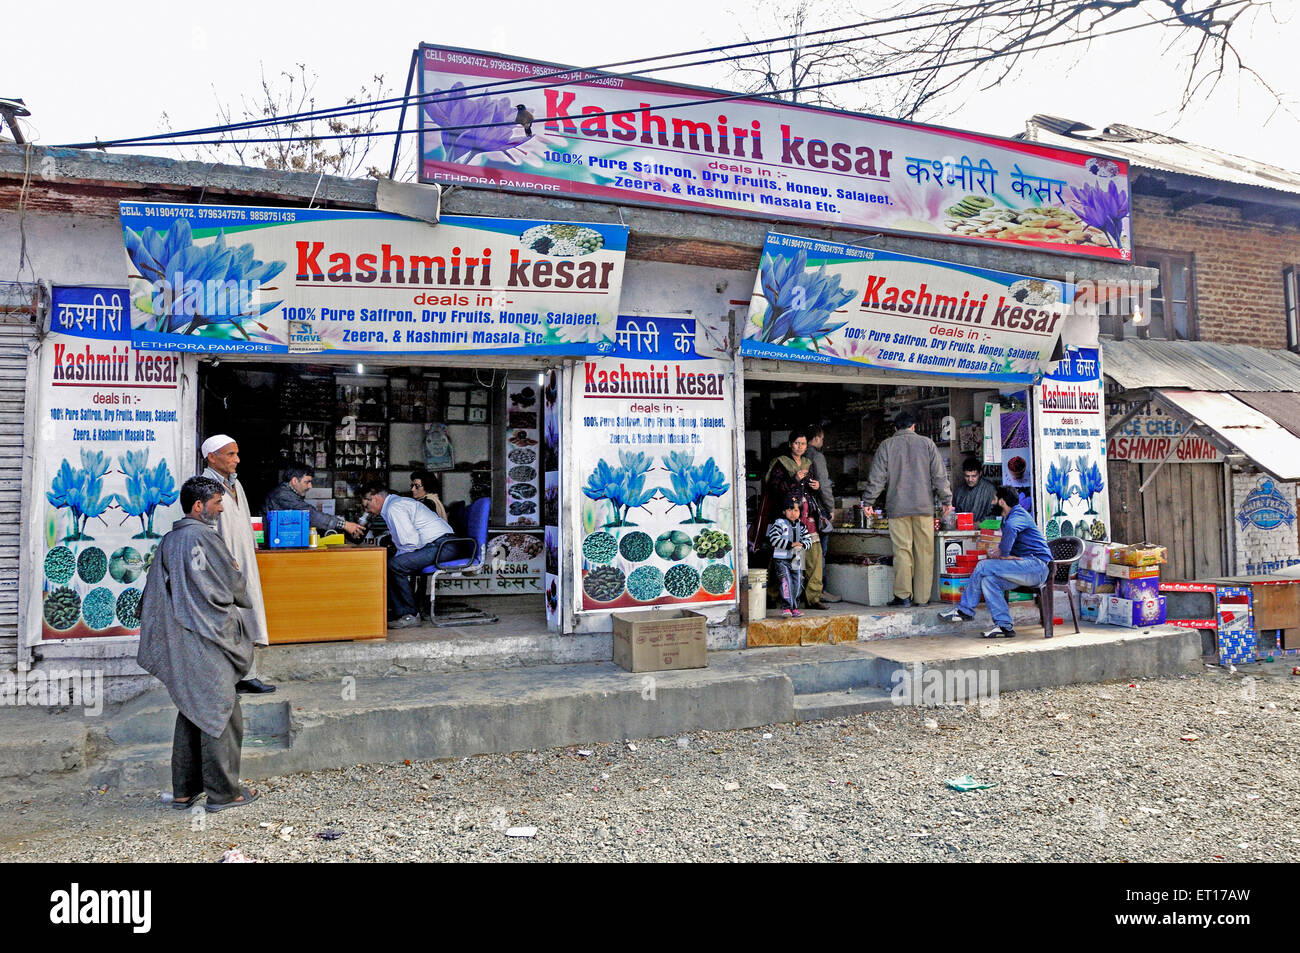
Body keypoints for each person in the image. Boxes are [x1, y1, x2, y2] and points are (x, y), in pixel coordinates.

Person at [136, 476, 260, 813]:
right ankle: (224, 793)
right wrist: (234, 571)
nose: (221, 509)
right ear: (198, 506)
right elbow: (227, 587)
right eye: (218, 503)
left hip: (180, 639)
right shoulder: (205, 537)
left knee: (191, 709)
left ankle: (183, 791)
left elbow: (154, 594)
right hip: (207, 638)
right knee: (221, 711)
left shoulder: (169, 541)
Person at [200, 434, 274, 694]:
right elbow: (205, 530)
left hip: (243, 560)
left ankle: (246, 674)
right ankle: (229, 678)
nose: (237, 459)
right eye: (230, 454)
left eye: (236, 453)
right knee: (227, 620)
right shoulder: (205, 486)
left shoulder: (235, 485)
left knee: (245, 618)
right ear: (212, 457)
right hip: (223, 564)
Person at [861, 411, 954, 607]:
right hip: (924, 508)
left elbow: (877, 477)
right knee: (925, 553)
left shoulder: (887, 445)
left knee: (903, 552)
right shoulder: (927, 444)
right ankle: (922, 598)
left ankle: (903, 596)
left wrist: (868, 502)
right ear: (913, 426)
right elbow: (939, 475)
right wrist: (947, 500)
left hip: (898, 508)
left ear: (895, 428)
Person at [939, 485, 1053, 638]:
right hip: (1024, 568)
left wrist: (1003, 554)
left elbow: (1012, 529)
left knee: (982, 566)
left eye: (994, 499)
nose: (991, 502)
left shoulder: (1016, 517)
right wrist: (1003, 554)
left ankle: (964, 611)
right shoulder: (1010, 517)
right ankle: (1004, 626)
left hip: (1036, 567)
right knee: (989, 581)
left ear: (1002, 502)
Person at [362, 485, 456, 629]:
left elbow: (410, 542)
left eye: (367, 506)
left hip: (442, 546)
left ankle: (409, 614)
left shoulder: (395, 508)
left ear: (376, 498)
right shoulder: (392, 507)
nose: (367, 510)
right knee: (390, 563)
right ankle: (399, 611)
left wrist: (398, 559)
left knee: (394, 565)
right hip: (436, 545)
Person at [754, 430, 826, 610]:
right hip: (787, 517)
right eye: (796, 443)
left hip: (807, 516)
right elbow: (775, 488)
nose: (800, 447)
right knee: (781, 557)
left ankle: (813, 597)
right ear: (790, 444)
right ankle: (773, 595)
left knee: (814, 556)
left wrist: (816, 486)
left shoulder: (809, 463)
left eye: (803, 444)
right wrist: (794, 479)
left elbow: (811, 489)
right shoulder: (781, 464)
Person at [263, 462, 363, 537]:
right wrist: (344, 525)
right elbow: (309, 515)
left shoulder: (287, 493)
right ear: (294, 480)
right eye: (307, 482)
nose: (310, 486)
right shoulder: (282, 494)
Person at [804, 425, 841, 604]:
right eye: (822, 438)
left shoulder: (798, 455)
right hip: (817, 510)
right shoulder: (817, 456)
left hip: (801, 512)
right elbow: (824, 485)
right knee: (820, 553)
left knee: (803, 552)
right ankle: (820, 591)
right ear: (817, 438)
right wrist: (831, 508)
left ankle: (804, 591)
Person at [767, 494, 813, 618]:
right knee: (785, 583)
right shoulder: (779, 523)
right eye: (789, 510)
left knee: (797, 583)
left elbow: (809, 541)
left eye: (796, 510)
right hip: (781, 560)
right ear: (784, 511)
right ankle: (786, 607)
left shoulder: (802, 526)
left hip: (797, 559)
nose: (792, 513)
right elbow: (773, 539)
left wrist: (802, 545)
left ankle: (795, 607)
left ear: (800, 512)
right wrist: (790, 544)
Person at [953, 456, 997, 524]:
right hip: (963, 530)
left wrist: (979, 524)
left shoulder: (990, 490)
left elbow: (994, 516)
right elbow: (954, 514)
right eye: (967, 476)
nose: (970, 480)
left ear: (980, 474)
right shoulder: (959, 492)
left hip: (984, 531)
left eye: (974, 476)